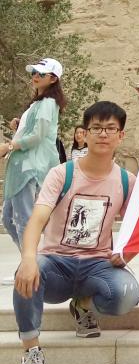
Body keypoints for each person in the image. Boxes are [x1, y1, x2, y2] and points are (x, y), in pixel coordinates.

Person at [12, 100, 139, 364]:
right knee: (25, 273)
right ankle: (31, 350)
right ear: (85, 133)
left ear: (121, 135)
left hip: (97, 265)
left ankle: (83, 304)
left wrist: (127, 253)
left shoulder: (126, 180)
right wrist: (29, 258)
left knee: (126, 293)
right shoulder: (62, 174)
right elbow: (38, 218)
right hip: (56, 263)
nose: (103, 134)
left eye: (110, 128)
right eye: (96, 128)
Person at [1, 58, 66, 251]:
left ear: (53, 79)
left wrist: (9, 146)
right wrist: (20, 124)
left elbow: (38, 136)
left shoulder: (47, 102)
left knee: (23, 220)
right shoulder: (39, 103)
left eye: (41, 74)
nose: (35, 76)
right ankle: (30, 260)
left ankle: (31, 262)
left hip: (30, 167)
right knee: (10, 219)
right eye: (34, 73)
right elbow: (35, 131)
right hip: (22, 166)